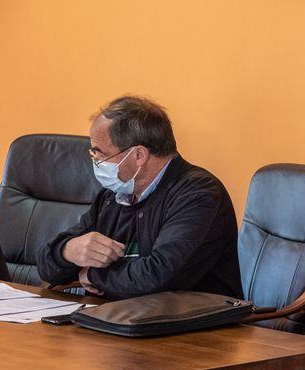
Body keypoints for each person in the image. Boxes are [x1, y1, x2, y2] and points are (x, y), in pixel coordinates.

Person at [36, 95, 241, 299]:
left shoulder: (198, 194)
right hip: (121, 318)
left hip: (192, 325)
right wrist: (67, 251)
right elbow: (46, 266)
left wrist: (92, 274)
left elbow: (159, 276)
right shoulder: (113, 195)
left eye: (100, 154)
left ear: (139, 155)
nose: (96, 162)